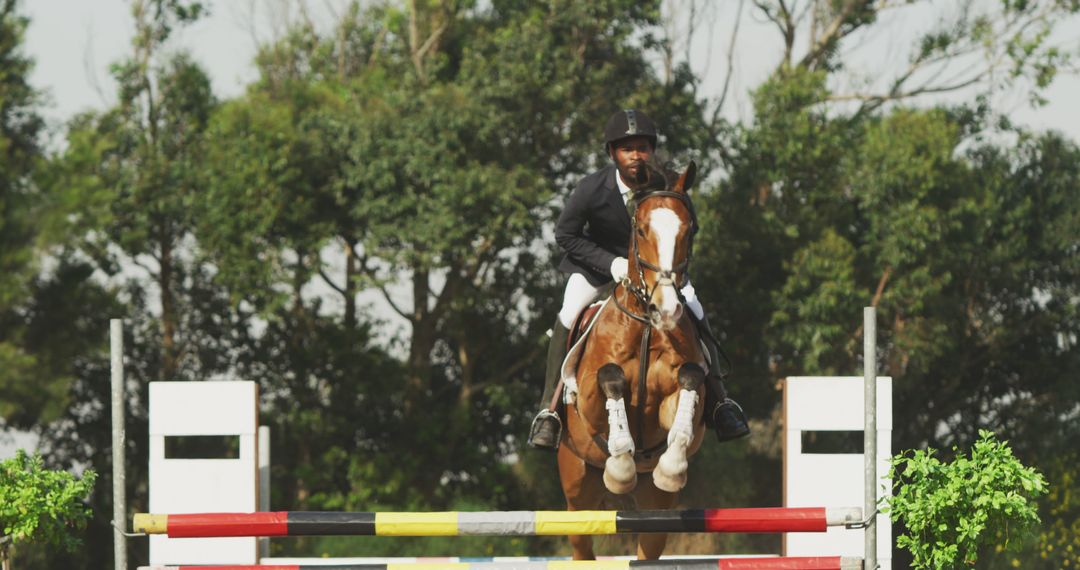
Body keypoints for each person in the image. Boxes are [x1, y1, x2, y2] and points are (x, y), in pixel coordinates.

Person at [527, 109, 750, 451]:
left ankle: (721, 402)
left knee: (694, 307)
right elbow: (566, 235)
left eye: (642, 147)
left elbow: (689, 228)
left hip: (656, 272)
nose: (636, 155)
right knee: (569, 312)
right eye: (627, 148)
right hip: (599, 270)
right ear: (613, 153)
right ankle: (550, 410)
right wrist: (611, 263)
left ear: (652, 151)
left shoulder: (669, 188)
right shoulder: (592, 188)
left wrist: (670, 268)